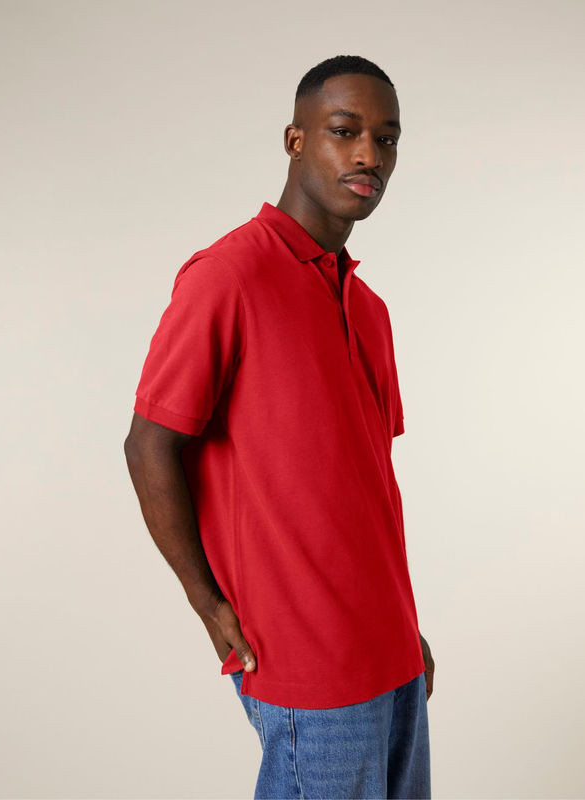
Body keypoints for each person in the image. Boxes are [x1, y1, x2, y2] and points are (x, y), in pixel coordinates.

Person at [124, 54, 435, 799]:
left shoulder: (369, 309)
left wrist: (404, 627)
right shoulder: (228, 276)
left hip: (392, 656)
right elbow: (149, 444)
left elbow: (362, 494)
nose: (369, 155)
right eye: (344, 131)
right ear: (295, 140)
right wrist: (208, 604)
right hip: (304, 665)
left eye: (387, 139)